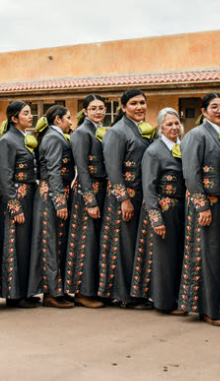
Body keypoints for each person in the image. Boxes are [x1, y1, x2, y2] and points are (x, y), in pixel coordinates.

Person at [179, 92, 220, 326]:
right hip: (206, 205)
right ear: (203, 111)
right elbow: (191, 173)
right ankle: (207, 309)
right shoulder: (196, 135)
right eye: (214, 107)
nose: (219, 111)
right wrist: (201, 206)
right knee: (206, 256)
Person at [98, 88, 154, 308]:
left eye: (142, 102)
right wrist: (124, 199)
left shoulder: (139, 130)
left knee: (134, 245)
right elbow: (113, 168)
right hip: (124, 199)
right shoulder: (117, 131)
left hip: (139, 197)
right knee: (122, 246)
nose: (139, 107)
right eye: (133, 103)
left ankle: (136, 291)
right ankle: (124, 296)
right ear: (123, 107)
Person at [131, 107, 187, 314]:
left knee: (178, 255)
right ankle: (164, 303)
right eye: (169, 124)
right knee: (164, 257)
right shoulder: (154, 151)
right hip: (163, 210)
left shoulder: (183, 146)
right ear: (161, 128)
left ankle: (178, 298)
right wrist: (156, 219)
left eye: (176, 123)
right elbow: (148, 187)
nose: (174, 127)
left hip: (181, 209)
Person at [29, 105, 76, 309]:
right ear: (58, 120)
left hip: (52, 193)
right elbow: (54, 171)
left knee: (56, 243)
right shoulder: (54, 138)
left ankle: (57, 290)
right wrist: (59, 201)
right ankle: (51, 293)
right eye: (67, 118)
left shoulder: (51, 136)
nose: (70, 122)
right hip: (52, 195)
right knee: (51, 243)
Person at [65, 94, 108, 308]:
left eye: (101, 107)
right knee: (85, 242)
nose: (99, 111)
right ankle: (82, 292)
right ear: (85, 111)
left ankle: (94, 289)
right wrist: (90, 201)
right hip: (86, 192)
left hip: (100, 191)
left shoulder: (99, 131)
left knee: (96, 242)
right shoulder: (82, 133)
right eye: (94, 108)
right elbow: (81, 168)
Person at [0, 100, 38, 308]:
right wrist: (14, 205)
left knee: (25, 245)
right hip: (16, 199)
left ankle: (25, 291)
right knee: (15, 246)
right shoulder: (7, 141)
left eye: (31, 113)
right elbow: (4, 177)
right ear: (14, 118)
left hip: (29, 198)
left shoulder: (24, 139)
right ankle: (14, 295)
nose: (31, 117)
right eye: (26, 114)